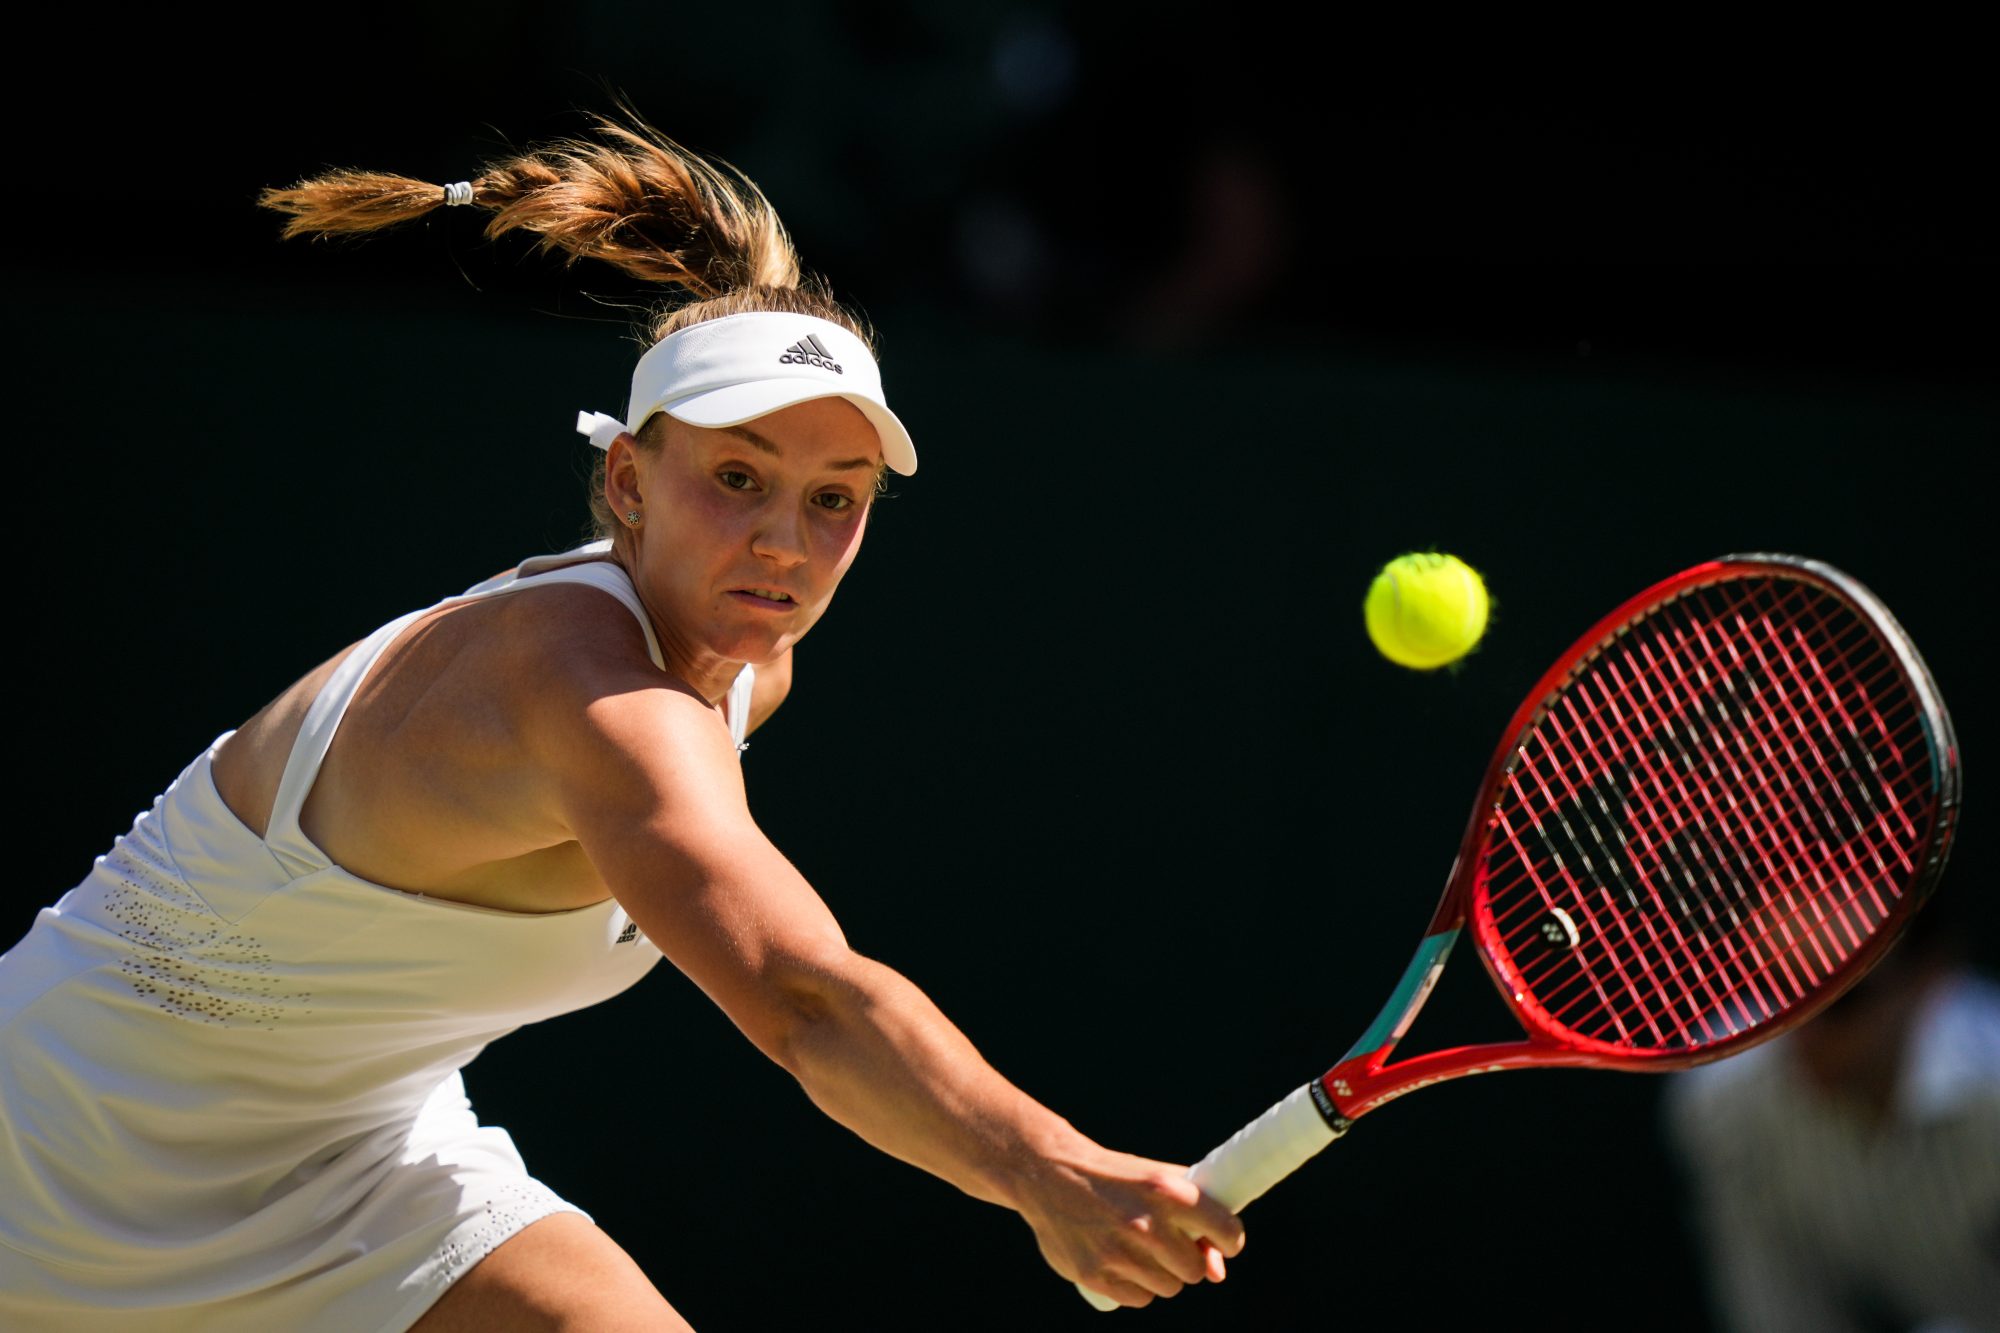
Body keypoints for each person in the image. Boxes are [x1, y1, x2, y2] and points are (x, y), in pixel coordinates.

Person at [0, 109, 1244, 1331]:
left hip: (355, 1164)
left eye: (833, 499)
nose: (783, 543)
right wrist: (1044, 1168)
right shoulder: (583, 686)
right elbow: (804, 1000)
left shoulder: (749, 669)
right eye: (739, 479)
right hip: (48, 1147)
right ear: (627, 484)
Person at [1664, 899, 2000, 1333]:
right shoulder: (1724, 1103)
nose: (1804, 1029)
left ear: (1928, 976)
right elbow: (1777, 1311)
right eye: (1779, 993)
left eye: (1842, 997)